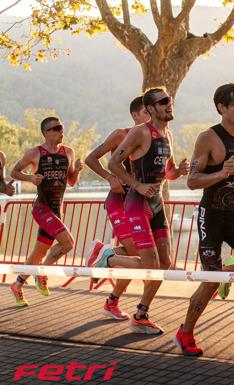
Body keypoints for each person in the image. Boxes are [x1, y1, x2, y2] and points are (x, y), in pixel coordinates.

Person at [173, 83, 234, 356]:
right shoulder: (208, 139)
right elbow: (192, 181)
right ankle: (185, 333)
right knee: (210, 280)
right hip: (212, 217)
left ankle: (228, 273)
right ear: (222, 108)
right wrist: (220, 175)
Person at [107, 87, 190, 334]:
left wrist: (181, 171)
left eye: (170, 100)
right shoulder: (140, 132)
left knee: (164, 264)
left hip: (157, 205)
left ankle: (141, 314)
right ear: (151, 109)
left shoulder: (169, 135)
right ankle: (107, 256)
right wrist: (137, 185)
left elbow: (168, 172)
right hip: (137, 203)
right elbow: (113, 163)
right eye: (163, 102)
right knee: (149, 264)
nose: (169, 104)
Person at [84, 96, 150, 320]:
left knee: (139, 257)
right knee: (139, 257)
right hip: (118, 201)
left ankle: (104, 255)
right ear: (135, 115)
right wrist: (109, 177)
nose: (150, 116)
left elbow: (163, 173)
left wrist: (177, 172)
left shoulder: (154, 138)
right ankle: (106, 256)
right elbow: (91, 159)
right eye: (146, 112)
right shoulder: (121, 135)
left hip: (137, 204)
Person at [9, 117, 83, 306]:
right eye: (56, 128)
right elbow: (14, 172)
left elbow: (72, 181)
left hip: (57, 210)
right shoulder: (35, 153)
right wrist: (30, 177)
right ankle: (41, 273)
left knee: (37, 253)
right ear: (46, 133)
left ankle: (17, 285)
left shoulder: (69, 152)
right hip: (42, 208)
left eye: (62, 127)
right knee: (68, 243)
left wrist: (78, 170)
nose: (61, 131)